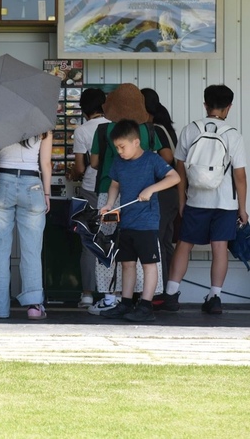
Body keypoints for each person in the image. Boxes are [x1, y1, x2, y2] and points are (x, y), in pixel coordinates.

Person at [159, 84, 248, 315]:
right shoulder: (233, 135)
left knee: (184, 245)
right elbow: (240, 176)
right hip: (225, 203)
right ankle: (215, 297)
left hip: (196, 200)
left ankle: (170, 294)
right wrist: (243, 208)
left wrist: (181, 201)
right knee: (220, 248)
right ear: (229, 107)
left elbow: (179, 171)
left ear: (205, 104)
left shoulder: (190, 130)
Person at [87, 84, 167, 314]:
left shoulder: (104, 130)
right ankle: (143, 298)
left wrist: (109, 203)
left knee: (109, 248)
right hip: (140, 196)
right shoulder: (147, 130)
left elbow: (94, 163)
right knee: (141, 257)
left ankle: (112, 298)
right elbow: (164, 155)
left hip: (108, 193)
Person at [97, 119, 180, 322]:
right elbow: (114, 185)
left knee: (149, 265)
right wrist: (109, 204)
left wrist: (151, 189)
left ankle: (145, 305)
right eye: (116, 147)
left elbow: (174, 177)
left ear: (136, 142)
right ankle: (126, 303)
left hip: (147, 223)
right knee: (126, 264)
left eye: (122, 147)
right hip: (126, 222)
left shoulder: (152, 160)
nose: (119, 151)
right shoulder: (118, 163)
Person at [0, 130, 53, 320]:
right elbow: (45, 164)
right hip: (32, 184)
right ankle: (34, 307)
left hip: (0, 183)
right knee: (31, 251)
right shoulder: (42, 125)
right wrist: (46, 194)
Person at [69, 88, 108, 309]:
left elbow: (80, 167)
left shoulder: (82, 130)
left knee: (88, 241)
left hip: (89, 189)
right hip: (110, 188)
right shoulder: (114, 126)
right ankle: (111, 293)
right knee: (110, 239)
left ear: (83, 108)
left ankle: (86, 294)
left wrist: (72, 173)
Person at [141, 87, 181, 288]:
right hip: (171, 194)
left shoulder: (155, 129)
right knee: (165, 243)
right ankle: (168, 290)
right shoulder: (166, 127)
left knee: (156, 242)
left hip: (162, 192)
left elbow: (167, 158)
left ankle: (158, 291)